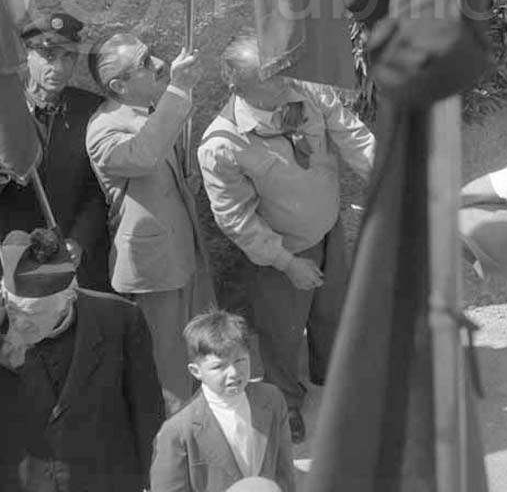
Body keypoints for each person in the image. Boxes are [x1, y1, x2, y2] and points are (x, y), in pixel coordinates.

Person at [197, 34, 376, 443]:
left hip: (328, 230)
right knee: (282, 332)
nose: (285, 82)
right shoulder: (222, 145)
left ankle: (332, 374)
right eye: (272, 78)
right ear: (238, 87)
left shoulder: (305, 90)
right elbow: (236, 219)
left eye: (283, 71)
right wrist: (287, 263)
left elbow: (353, 137)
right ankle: (285, 402)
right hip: (280, 251)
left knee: (332, 310)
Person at [86, 32, 215, 415]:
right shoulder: (104, 129)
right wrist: (179, 89)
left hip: (180, 251)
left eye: (152, 54)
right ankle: (174, 438)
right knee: (168, 368)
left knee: (196, 346)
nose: (159, 64)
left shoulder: (149, 108)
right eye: (144, 63)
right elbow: (143, 156)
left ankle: (200, 420)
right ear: (118, 86)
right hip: (153, 267)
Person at [0, 226, 164, 491]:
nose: (19, 323)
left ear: (68, 299)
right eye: (13, 308)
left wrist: (152, 481)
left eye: (34, 313)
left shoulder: (120, 319)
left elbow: (146, 411)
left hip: (103, 479)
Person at [0, 12, 110, 290]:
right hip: (12, 259)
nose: (59, 67)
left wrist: (80, 240)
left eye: (68, 56)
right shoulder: (5, 110)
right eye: (48, 56)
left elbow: (99, 188)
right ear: (26, 56)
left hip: (74, 262)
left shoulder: (91, 110)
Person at [149, 310, 294, 492]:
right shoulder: (177, 431)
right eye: (219, 366)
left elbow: (284, 470)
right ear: (196, 371)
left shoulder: (272, 399)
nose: (234, 373)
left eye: (240, 360)